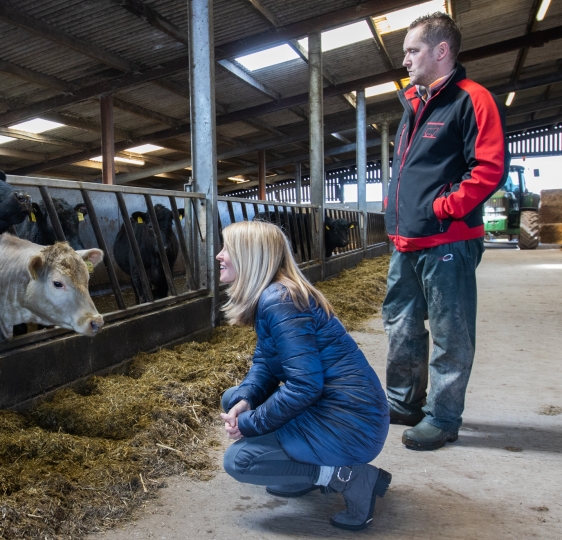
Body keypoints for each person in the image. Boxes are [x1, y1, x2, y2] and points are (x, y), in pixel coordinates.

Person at [383, 12, 509, 450]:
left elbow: (489, 167)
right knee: (400, 324)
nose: (405, 60)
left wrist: (443, 207)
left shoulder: (471, 99)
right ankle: (403, 402)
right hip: (406, 240)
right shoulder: (413, 105)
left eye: (412, 50)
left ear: (441, 51)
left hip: (447, 240)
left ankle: (443, 415)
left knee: (450, 331)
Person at [218, 221, 390, 531]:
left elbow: (305, 386)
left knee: (241, 461)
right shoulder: (273, 295)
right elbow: (266, 364)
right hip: (339, 409)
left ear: (250, 256)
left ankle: (349, 477)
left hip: (351, 423)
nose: (220, 255)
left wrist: (249, 424)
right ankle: (307, 467)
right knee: (233, 396)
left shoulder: (279, 301)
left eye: (227, 249)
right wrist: (246, 400)